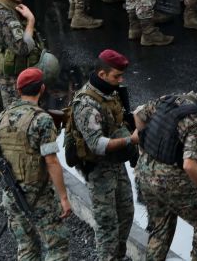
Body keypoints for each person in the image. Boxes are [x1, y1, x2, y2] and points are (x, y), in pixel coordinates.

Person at [134, 72, 197, 261]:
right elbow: (189, 165)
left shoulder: (169, 99)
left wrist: (143, 147)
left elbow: (139, 115)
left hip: (145, 172)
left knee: (160, 228)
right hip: (172, 181)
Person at [0, 67, 71, 261]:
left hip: (11, 193)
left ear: (18, 90)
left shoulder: (3, 116)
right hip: (39, 195)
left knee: (26, 247)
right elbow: (51, 161)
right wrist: (64, 198)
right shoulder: (42, 120)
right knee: (57, 247)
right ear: (42, 88)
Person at [67, 50, 137, 261]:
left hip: (116, 164)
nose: (120, 80)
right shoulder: (87, 104)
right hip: (98, 169)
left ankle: (118, 256)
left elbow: (120, 121)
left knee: (126, 213)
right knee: (107, 224)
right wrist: (130, 141)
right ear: (101, 74)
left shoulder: (111, 91)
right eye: (116, 75)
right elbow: (97, 145)